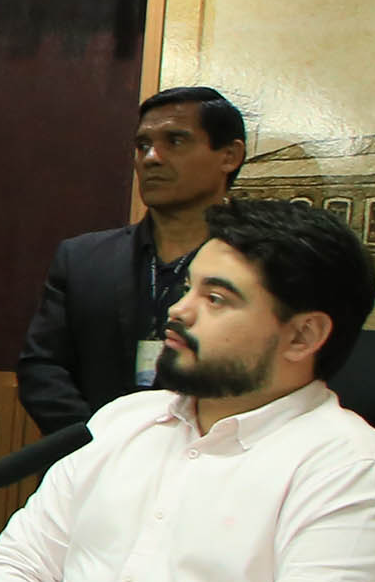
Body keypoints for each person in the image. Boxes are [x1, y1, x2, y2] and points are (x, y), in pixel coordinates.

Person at [0, 200, 375, 582]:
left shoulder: (359, 473)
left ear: (303, 336)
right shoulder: (124, 422)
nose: (178, 310)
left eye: (215, 298)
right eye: (188, 287)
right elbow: (20, 565)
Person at [17, 86, 248, 436]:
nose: (151, 158)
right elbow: (42, 367)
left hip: (216, 455)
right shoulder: (83, 259)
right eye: (143, 145)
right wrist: (98, 443)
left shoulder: (258, 265)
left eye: (176, 141)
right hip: (93, 453)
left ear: (229, 156)